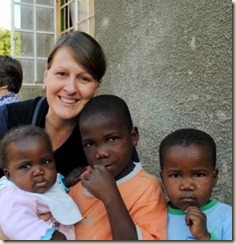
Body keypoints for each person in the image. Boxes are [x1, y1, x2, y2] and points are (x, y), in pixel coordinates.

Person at [0, 31, 139, 178]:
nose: (71, 88)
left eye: (84, 79)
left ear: (98, 86)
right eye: (61, 74)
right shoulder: (8, 119)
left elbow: (132, 190)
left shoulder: (107, 135)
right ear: (46, 75)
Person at [69, 94, 167, 240]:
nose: (101, 153)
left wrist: (110, 197)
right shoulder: (81, 181)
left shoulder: (148, 188)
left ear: (133, 137)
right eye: (90, 144)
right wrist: (64, 185)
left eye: (112, 139)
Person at [0, 125, 84, 240]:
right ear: (8, 174)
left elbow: (53, 192)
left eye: (45, 161)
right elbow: (17, 224)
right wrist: (48, 236)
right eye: (26, 166)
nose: (39, 171)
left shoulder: (38, 185)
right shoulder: (11, 196)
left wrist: (65, 183)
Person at [159, 128, 232, 240]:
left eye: (198, 174)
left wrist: (203, 237)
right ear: (162, 179)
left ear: (214, 177)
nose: (187, 186)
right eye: (175, 175)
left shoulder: (228, 217)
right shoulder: (154, 215)